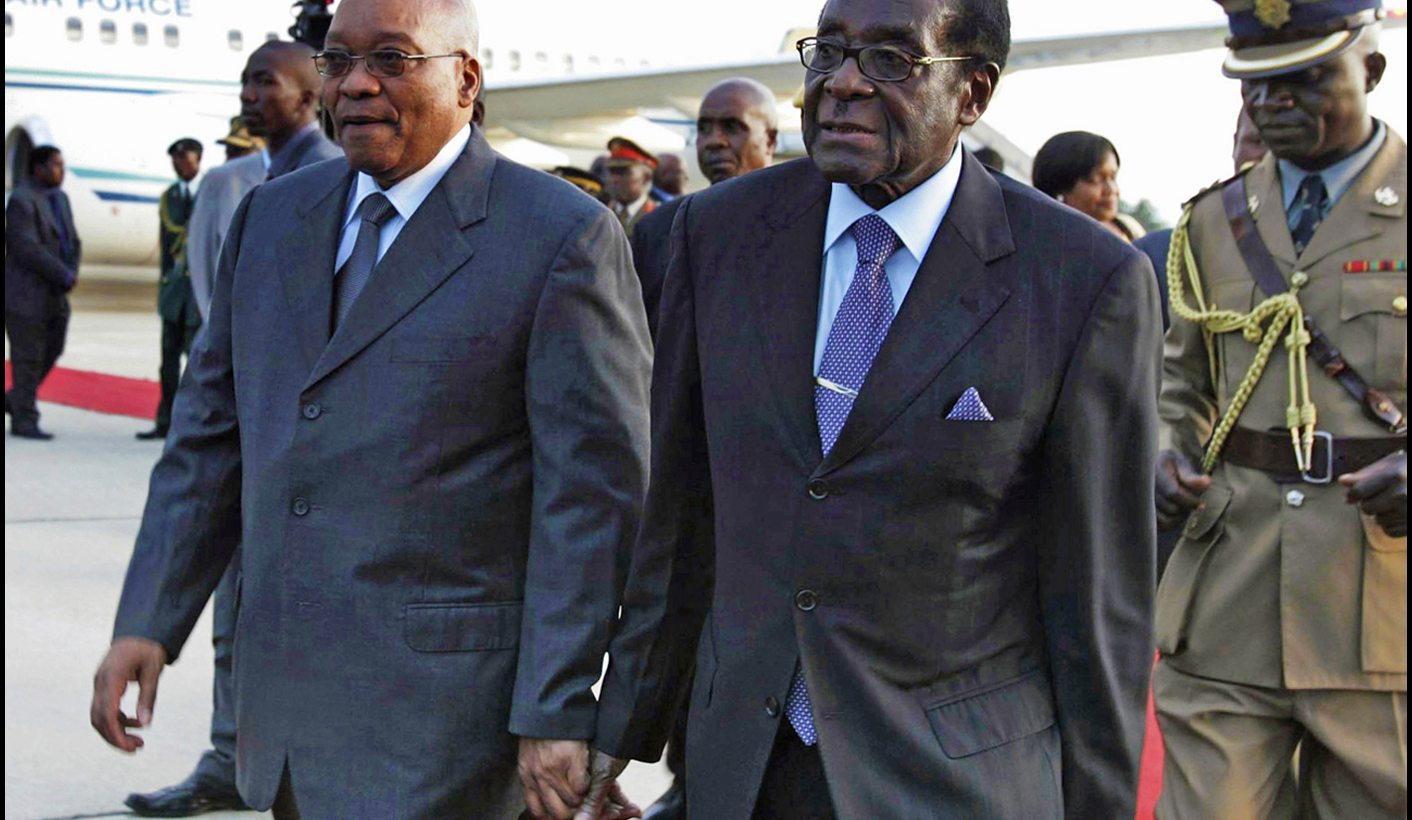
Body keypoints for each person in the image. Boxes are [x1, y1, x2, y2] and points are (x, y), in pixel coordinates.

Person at [564, 0, 1163, 817]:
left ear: (973, 93)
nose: (842, 83)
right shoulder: (714, 235)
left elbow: (1096, 601)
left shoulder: (1083, 280)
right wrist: (621, 731)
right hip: (741, 771)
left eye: (891, 60)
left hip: (952, 781)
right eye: (830, 52)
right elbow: (680, 518)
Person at [90, 2, 652, 819]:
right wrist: (148, 620)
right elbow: (209, 441)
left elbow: (593, 501)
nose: (355, 83)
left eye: (391, 59)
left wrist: (556, 705)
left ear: (465, 79)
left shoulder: (561, 236)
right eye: (338, 60)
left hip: (450, 729)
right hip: (284, 717)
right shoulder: (273, 217)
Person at [1155, 1, 1406, 817]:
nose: (1273, 103)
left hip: (1383, 607)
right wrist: (1167, 450)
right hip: (1231, 593)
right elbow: (1182, 387)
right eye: (1256, 85)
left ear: (1369, 70)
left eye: (1303, 79)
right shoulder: (1211, 223)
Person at [125, 49, 349, 819]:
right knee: (237, 613)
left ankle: (258, 758)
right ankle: (233, 755)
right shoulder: (252, 183)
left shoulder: (329, 177)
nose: (253, 96)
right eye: (247, 82)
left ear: (310, 93)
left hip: (300, 443)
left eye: (269, 83)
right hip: (249, 428)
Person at [627, 75, 778, 820]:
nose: (716, 143)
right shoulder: (661, 232)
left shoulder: (801, 233)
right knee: (680, 633)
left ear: (771, 142)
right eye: (705, 129)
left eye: (733, 129)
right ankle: (689, 784)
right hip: (683, 479)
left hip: (766, 491)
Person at [5, 145, 79, 441]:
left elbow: (74, 241)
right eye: (56, 165)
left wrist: (72, 271)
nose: (61, 171)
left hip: (55, 295)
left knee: (53, 347)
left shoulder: (61, 199)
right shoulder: (21, 200)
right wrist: (62, 273)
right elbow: (26, 248)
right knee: (27, 357)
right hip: (26, 294)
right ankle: (24, 417)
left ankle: (16, 399)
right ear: (39, 168)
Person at [137, 138, 204, 441]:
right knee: (167, 362)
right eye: (174, 159)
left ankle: (192, 424)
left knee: (197, 363)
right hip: (174, 292)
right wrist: (164, 284)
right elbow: (167, 249)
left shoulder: (209, 193)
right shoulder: (169, 198)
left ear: (198, 159)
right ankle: (164, 421)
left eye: (183, 158)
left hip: (197, 294)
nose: (178, 164)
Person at [240, 41, 342, 180]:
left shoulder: (325, 170)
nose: (246, 95)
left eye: (265, 82)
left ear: (304, 99)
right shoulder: (288, 163)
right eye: (245, 81)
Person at [1033, 130, 1146, 242]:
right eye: (1097, 179)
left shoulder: (1130, 229)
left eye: (1113, 177)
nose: (1111, 189)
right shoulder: (1045, 239)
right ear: (1061, 185)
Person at [603, 136, 658, 237]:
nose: (615, 179)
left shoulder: (660, 217)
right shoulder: (599, 215)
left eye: (623, 172)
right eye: (612, 172)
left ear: (646, 178)